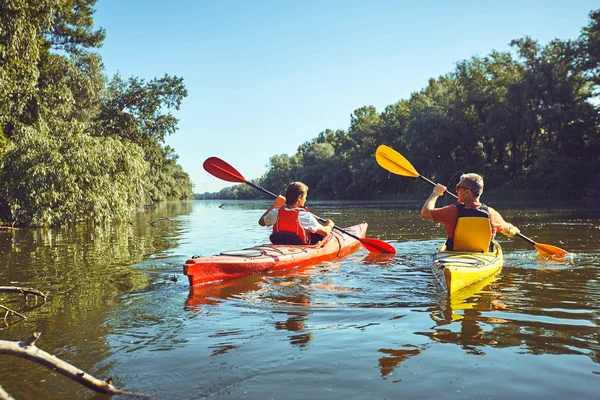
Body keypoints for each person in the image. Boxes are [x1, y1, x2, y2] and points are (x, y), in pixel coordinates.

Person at [420, 173, 520, 252]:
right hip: (483, 258)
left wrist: (435, 193)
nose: (456, 191)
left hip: (453, 256)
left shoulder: (452, 211)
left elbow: (425, 213)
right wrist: (515, 230)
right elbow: (508, 230)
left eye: (458, 188)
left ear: (467, 192)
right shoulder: (492, 214)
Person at [259, 181, 334, 245]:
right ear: (299, 198)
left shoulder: (276, 212)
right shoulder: (305, 216)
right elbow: (325, 232)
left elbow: (261, 222)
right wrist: (330, 225)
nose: (305, 200)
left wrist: (275, 206)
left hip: (279, 244)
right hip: (299, 247)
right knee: (320, 235)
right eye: (305, 197)